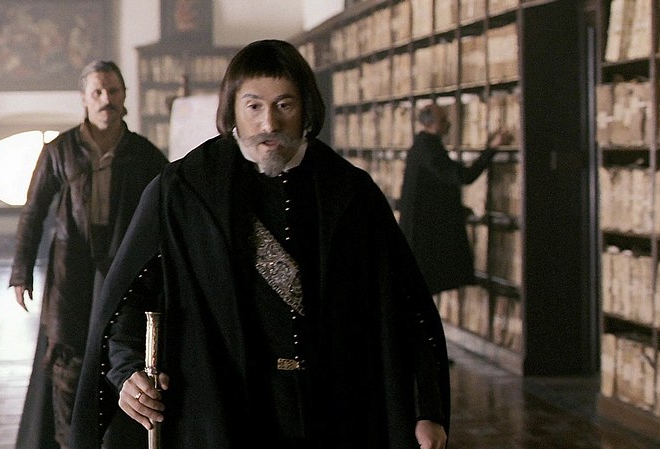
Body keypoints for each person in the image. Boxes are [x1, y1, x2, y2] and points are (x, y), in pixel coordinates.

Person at [71, 39, 451, 449]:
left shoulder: (351, 192)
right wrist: (127, 369)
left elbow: (403, 305)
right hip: (221, 411)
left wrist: (426, 409)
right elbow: (129, 297)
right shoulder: (181, 191)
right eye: (253, 106)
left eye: (284, 104)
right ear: (232, 110)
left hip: (339, 410)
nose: (269, 122)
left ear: (306, 108)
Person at [9, 60, 168, 449]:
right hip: (71, 269)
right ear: (84, 98)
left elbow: (164, 213)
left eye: (113, 91)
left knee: (120, 351)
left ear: (124, 95)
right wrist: (21, 271)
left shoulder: (144, 154)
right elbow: (33, 211)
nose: (106, 99)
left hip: (122, 267)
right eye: (97, 91)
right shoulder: (59, 150)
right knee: (68, 357)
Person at [398, 103, 512, 296]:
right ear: (430, 124)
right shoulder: (428, 149)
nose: (448, 124)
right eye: (443, 120)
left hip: (423, 229)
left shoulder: (423, 146)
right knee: (426, 284)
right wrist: (491, 148)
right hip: (426, 234)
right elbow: (463, 176)